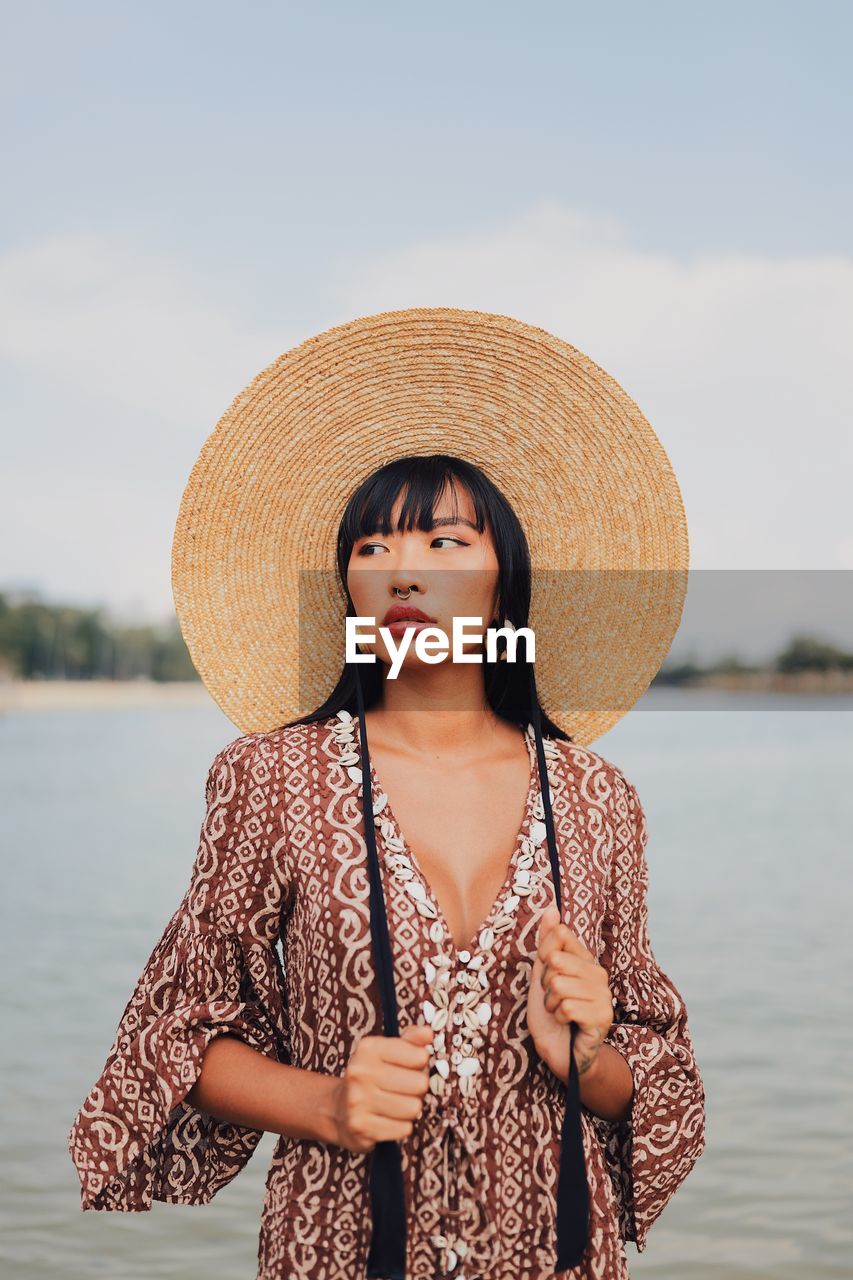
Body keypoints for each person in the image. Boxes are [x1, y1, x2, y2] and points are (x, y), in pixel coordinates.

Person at [67, 309, 706, 1280]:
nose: (402, 567)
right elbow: (174, 1031)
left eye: (446, 542)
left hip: (559, 1251)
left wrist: (586, 1051)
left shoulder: (596, 797)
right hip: (339, 1246)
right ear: (347, 587)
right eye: (370, 547)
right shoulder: (269, 778)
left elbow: (654, 1079)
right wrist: (323, 1102)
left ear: (507, 580)